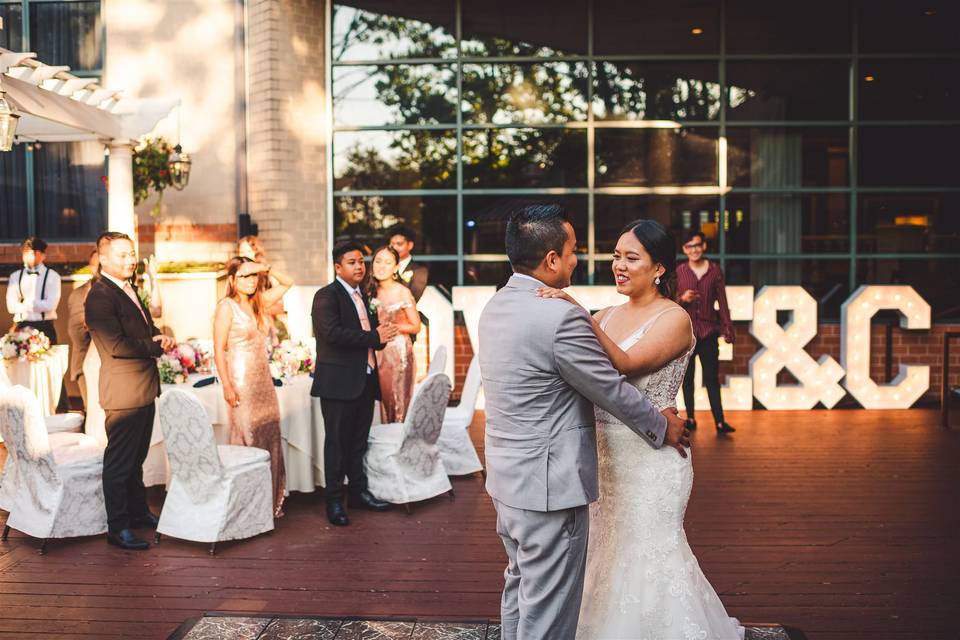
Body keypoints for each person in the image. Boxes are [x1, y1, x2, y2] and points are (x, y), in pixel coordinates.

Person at [477, 204, 689, 640]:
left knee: (519, 588)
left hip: (507, 478)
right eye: (573, 250)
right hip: (551, 487)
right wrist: (662, 426)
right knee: (549, 613)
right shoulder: (561, 316)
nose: (580, 259)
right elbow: (608, 387)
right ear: (552, 259)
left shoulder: (496, 305)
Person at [538, 220, 743, 640]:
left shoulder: (675, 318)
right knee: (606, 553)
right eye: (616, 256)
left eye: (632, 258)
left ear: (659, 269)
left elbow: (626, 366)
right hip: (602, 459)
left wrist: (577, 313)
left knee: (648, 554)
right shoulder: (606, 315)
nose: (619, 265)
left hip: (652, 462)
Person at [85, 232, 176, 551]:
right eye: (122, 255)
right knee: (119, 462)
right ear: (103, 258)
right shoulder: (100, 295)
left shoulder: (129, 288)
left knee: (136, 458)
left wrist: (158, 336)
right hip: (123, 393)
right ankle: (117, 526)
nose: (131, 259)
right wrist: (152, 346)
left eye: (132, 253)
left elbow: (140, 330)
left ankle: (138, 513)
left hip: (143, 387)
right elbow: (114, 345)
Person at [311, 241, 396, 527]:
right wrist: (375, 336)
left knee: (358, 442)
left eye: (361, 261)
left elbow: (370, 336)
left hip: (365, 378)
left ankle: (358, 493)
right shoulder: (326, 296)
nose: (359, 266)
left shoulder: (364, 296)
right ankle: (334, 501)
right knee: (336, 443)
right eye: (352, 262)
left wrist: (381, 336)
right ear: (338, 267)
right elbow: (332, 334)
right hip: (338, 382)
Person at [213, 256, 293, 518]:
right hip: (241, 379)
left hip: (263, 381)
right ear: (232, 280)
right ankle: (247, 503)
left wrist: (264, 267)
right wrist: (227, 385)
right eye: (243, 276)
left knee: (268, 433)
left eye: (253, 276)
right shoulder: (226, 307)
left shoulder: (259, 302)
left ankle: (270, 500)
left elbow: (288, 282)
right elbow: (218, 350)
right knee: (248, 436)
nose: (250, 281)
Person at [677, 230, 736, 434]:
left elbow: (723, 301)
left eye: (697, 245)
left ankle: (720, 422)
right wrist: (683, 299)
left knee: (712, 378)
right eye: (689, 246)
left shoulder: (714, 271)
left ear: (704, 246)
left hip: (709, 331)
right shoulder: (680, 272)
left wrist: (728, 327)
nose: (694, 250)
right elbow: (670, 304)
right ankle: (690, 418)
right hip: (687, 333)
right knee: (688, 378)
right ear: (684, 249)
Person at [368, 246, 421, 423]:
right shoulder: (369, 290)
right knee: (382, 399)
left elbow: (415, 326)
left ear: (396, 268)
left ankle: (398, 442)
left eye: (388, 262)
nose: (382, 266)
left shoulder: (402, 291)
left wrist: (391, 327)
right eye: (378, 261)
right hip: (376, 352)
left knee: (397, 400)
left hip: (398, 354)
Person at [6, 237, 62, 343]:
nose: (29, 256)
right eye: (25, 253)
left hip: (44, 326)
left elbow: (50, 305)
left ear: (42, 255)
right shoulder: (15, 276)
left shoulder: (53, 276)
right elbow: (11, 307)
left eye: (34, 253)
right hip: (21, 326)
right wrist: (38, 305)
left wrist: (24, 304)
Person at [238, 234, 287, 340]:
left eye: (248, 251)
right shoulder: (237, 276)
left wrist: (256, 308)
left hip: (269, 328)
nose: (244, 255)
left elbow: (279, 307)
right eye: (241, 252)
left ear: (256, 252)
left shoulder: (267, 275)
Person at [67, 249, 99, 410]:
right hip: (88, 364)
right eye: (97, 265)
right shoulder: (79, 295)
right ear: (91, 268)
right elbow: (77, 334)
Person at [386, 224, 429, 302]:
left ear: (410, 245)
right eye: (392, 244)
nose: (394, 248)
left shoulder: (420, 271)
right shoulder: (384, 267)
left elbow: (414, 298)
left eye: (399, 244)